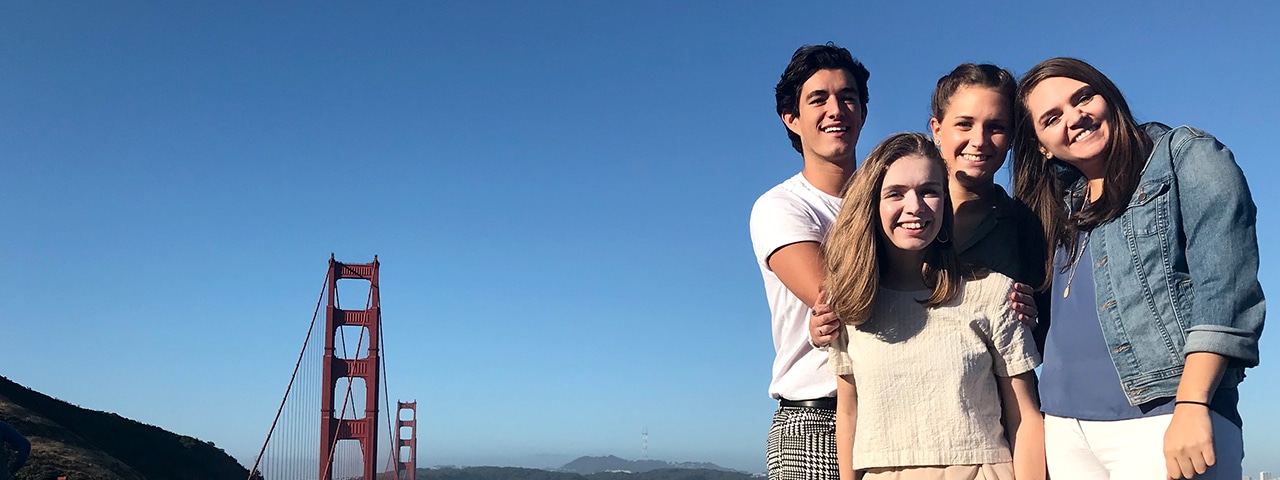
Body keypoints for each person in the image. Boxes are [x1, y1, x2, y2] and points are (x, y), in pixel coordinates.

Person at [1011, 57, 1264, 480]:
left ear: (1107, 95)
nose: (1075, 118)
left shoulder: (1185, 155)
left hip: (1164, 416)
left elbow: (1226, 290)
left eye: (1083, 97)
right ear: (1040, 143)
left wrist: (1193, 403)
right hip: (1063, 428)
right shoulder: (1061, 207)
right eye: (1052, 117)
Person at [823, 132, 1044, 480]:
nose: (915, 207)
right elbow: (848, 414)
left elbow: (1026, 417)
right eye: (896, 193)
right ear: (872, 204)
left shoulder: (992, 292)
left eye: (929, 191)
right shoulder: (850, 304)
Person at [809, 64, 1046, 355]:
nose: (979, 140)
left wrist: (1033, 320)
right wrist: (823, 326)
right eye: (964, 124)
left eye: (995, 127)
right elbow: (848, 305)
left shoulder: (1028, 227)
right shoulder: (887, 219)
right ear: (937, 129)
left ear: (1011, 136)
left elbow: (1046, 335)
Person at [749, 42, 870, 480]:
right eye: (818, 99)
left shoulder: (893, 203)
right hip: (814, 423)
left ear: (862, 111)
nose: (836, 109)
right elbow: (839, 299)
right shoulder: (780, 207)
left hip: (898, 405)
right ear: (792, 120)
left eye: (847, 97)